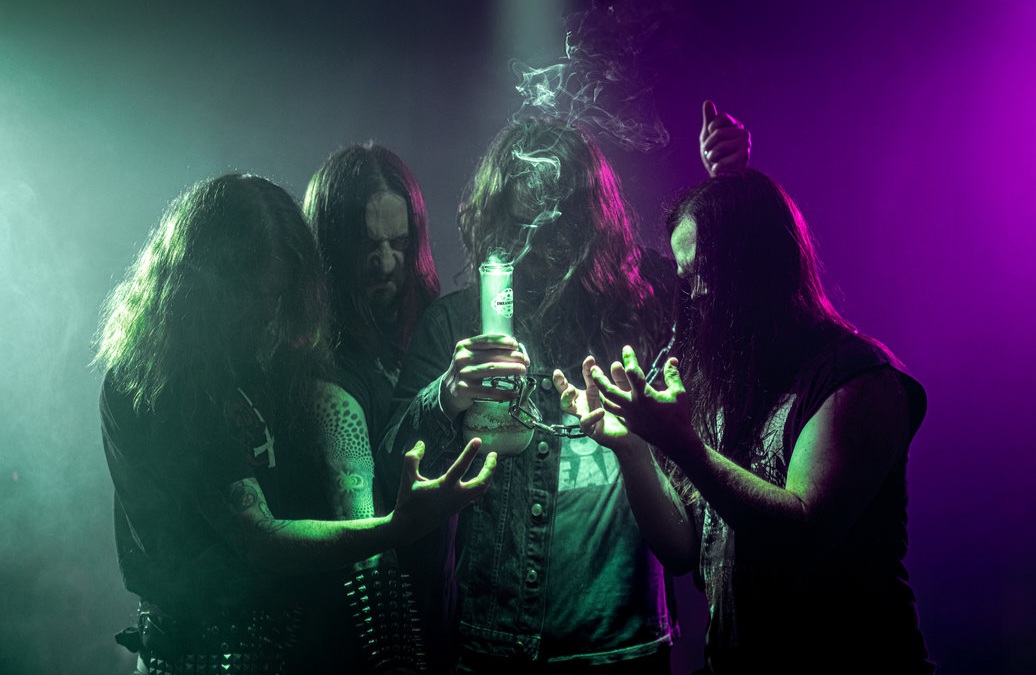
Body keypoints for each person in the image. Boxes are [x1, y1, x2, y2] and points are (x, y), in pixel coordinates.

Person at [377, 102, 750, 673]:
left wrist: (731, 189)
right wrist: (446, 393)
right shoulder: (455, 325)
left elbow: (741, 308)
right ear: (496, 222)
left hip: (625, 646)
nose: (538, 250)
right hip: (496, 650)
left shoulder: (649, 301)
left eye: (557, 228)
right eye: (521, 229)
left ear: (591, 220)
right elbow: (390, 474)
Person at [96, 173, 496, 675]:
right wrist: (397, 527)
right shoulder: (156, 384)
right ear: (206, 288)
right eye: (255, 295)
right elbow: (258, 538)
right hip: (191, 658)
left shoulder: (264, 372)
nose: (269, 313)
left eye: (280, 295)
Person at [554, 169, 936, 674]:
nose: (694, 295)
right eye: (686, 278)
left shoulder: (858, 379)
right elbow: (682, 551)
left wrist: (685, 445)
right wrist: (631, 446)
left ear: (760, 263)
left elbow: (802, 535)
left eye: (707, 272)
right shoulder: (723, 381)